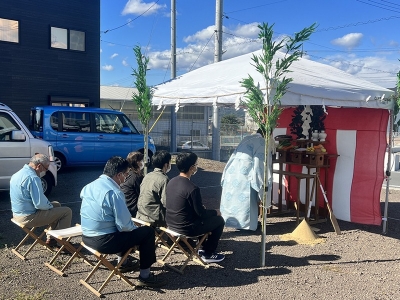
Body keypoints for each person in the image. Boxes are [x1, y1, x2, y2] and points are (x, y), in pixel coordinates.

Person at [80, 156, 167, 287]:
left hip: (86, 237)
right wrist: (136, 227)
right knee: (148, 232)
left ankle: (123, 263)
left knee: (123, 229)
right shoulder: (114, 192)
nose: (126, 177)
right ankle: (145, 276)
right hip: (104, 242)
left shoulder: (89, 186)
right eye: (126, 174)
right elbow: (125, 226)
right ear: (119, 175)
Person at [166, 152, 225, 263]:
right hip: (186, 228)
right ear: (192, 167)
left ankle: (202, 247)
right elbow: (201, 213)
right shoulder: (192, 188)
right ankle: (208, 252)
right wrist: (216, 212)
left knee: (205, 218)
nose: (196, 167)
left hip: (171, 225)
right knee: (219, 220)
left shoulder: (171, 181)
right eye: (195, 164)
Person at [10, 154, 72, 247]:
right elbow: (40, 204)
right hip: (28, 217)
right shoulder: (33, 178)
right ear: (39, 166)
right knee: (66, 211)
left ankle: (51, 239)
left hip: (17, 214)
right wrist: (49, 206)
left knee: (57, 205)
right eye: (46, 168)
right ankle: (63, 243)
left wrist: (50, 206)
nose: (45, 171)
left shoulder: (18, 174)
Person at [220, 128, 266, 231]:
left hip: (233, 169)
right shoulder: (261, 141)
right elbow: (259, 161)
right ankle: (247, 225)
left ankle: (233, 222)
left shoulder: (246, 138)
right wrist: (261, 179)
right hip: (246, 173)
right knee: (247, 199)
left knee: (234, 198)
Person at [136, 150, 171, 227]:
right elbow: (166, 202)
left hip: (140, 215)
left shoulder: (147, 176)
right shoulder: (164, 179)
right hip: (154, 219)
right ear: (166, 165)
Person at [120, 151, 144, 217]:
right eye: (141, 160)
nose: (143, 162)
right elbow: (141, 193)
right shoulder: (136, 176)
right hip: (133, 209)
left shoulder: (126, 174)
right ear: (137, 162)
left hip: (124, 206)